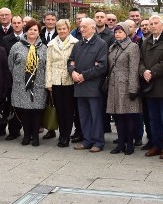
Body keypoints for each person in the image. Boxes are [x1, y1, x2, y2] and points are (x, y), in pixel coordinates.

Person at [68, 17, 109, 152]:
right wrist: (72, 72)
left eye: (85, 27)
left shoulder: (101, 44)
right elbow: (71, 61)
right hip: (79, 87)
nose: (82, 29)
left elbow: (102, 66)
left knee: (95, 115)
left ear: (93, 28)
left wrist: (84, 75)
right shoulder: (78, 44)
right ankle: (87, 140)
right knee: (84, 115)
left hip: (93, 87)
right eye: (81, 27)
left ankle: (98, 142)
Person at [139, 15, 163, 158]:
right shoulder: (146, 42)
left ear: (162, 25)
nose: (153, 26)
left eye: (156, 23)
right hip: (149, 88)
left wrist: (152, 72)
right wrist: (143, 71)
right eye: (151, 23)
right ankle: (156, 145)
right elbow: (140, 60)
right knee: (153, 119)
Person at [8, 20, 48, 146]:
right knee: (24, 111)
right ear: (26, 31)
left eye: (35, 30)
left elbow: (47, 66)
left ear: (39, 32)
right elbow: (11, 64)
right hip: (22, 85)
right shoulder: (17, 46)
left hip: (38, 85)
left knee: (36, 111)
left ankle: (35, 136)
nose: (32, 32)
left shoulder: (44, 48)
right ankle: (26, 135)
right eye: (30, 29)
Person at [106, 21, 142, 155]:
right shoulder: (112, 47)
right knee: (117, 116)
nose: (118, 34)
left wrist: (133, 88)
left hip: (126, 86)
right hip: (114, 86)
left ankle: (130, 144)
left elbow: (134, 69)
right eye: (116, 32)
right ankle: (120, 142)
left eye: (120, 32)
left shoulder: (132, 47)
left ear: (126, 33)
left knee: (128, 116)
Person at [45, 18, 78, 147]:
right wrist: (48, 82)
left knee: (68, 110)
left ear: (68, 29)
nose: (62, 31)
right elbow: (49, 64)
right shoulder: (51, 44)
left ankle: (67, 136)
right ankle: (61, 135)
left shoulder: (75, 43)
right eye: (59, 29)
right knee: (59, 109)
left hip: (69, 80)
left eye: (64, 28)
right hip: (55, 81)